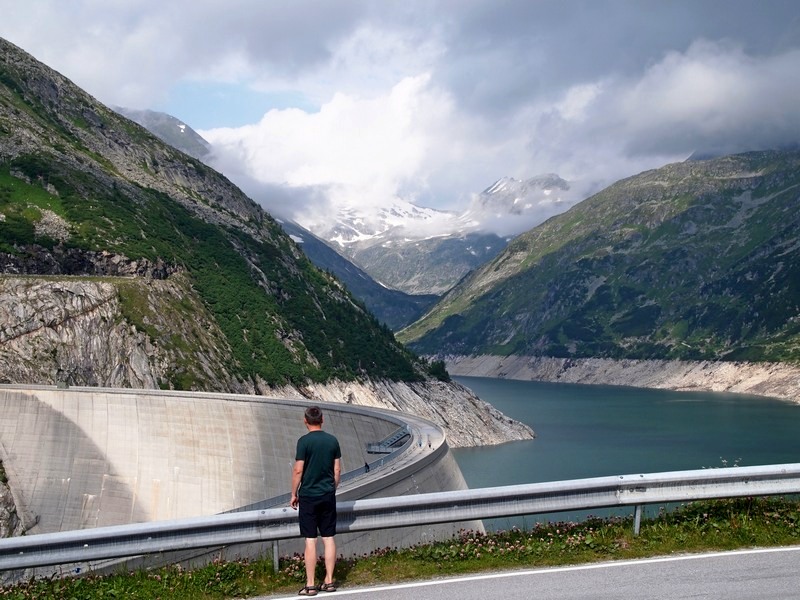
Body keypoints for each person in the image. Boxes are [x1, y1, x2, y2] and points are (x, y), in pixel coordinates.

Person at [290, 406, 341, 596]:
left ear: (305, 420)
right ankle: (329, 581)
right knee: (328, 538)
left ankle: (310, 585)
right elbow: (337, 470)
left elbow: (298, 470)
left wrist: (294, 493)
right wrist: (331, 488)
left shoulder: (303, 442)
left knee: (310, 540)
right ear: (322, 419)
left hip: (309, 496)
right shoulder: (332, 441)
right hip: (327, 494)